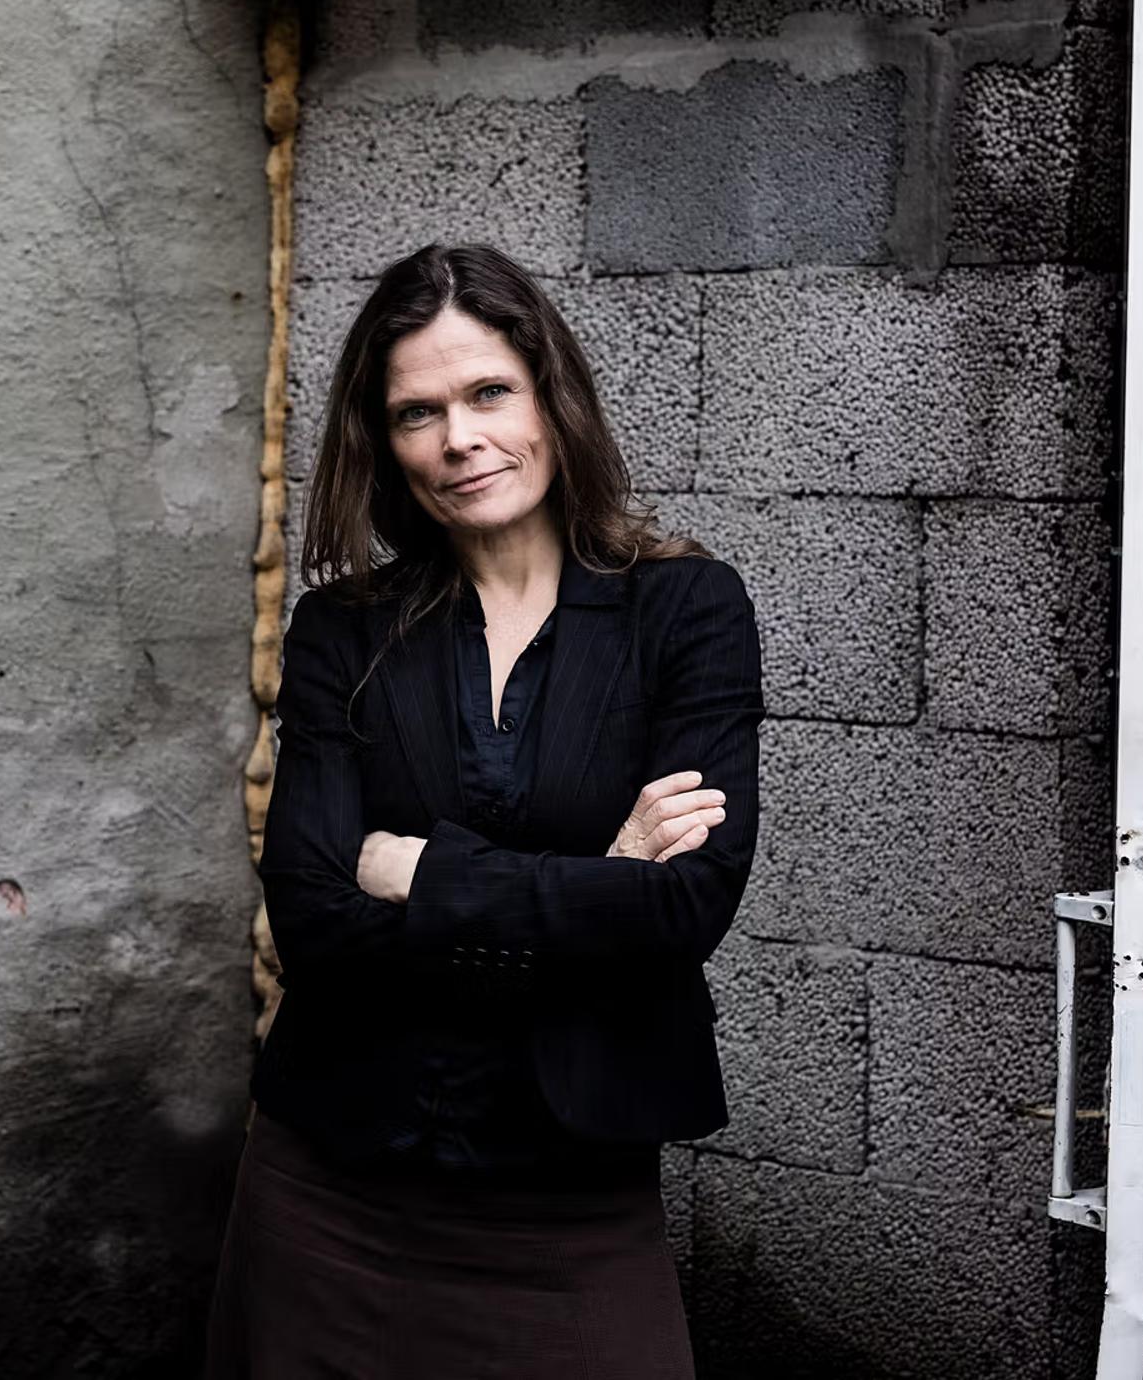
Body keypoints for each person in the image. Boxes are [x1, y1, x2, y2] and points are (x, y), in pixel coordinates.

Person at [204, 242, 765, 1379]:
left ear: (552, 399)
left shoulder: (685, 609)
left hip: (569, 1197)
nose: (458, 438)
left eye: (489, 392)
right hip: (329, 1188)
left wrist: (413, 872)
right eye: (417, 413)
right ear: (384, 444)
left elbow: (685, 909)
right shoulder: (342, 632)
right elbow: (312, 920)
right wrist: (597, 880)